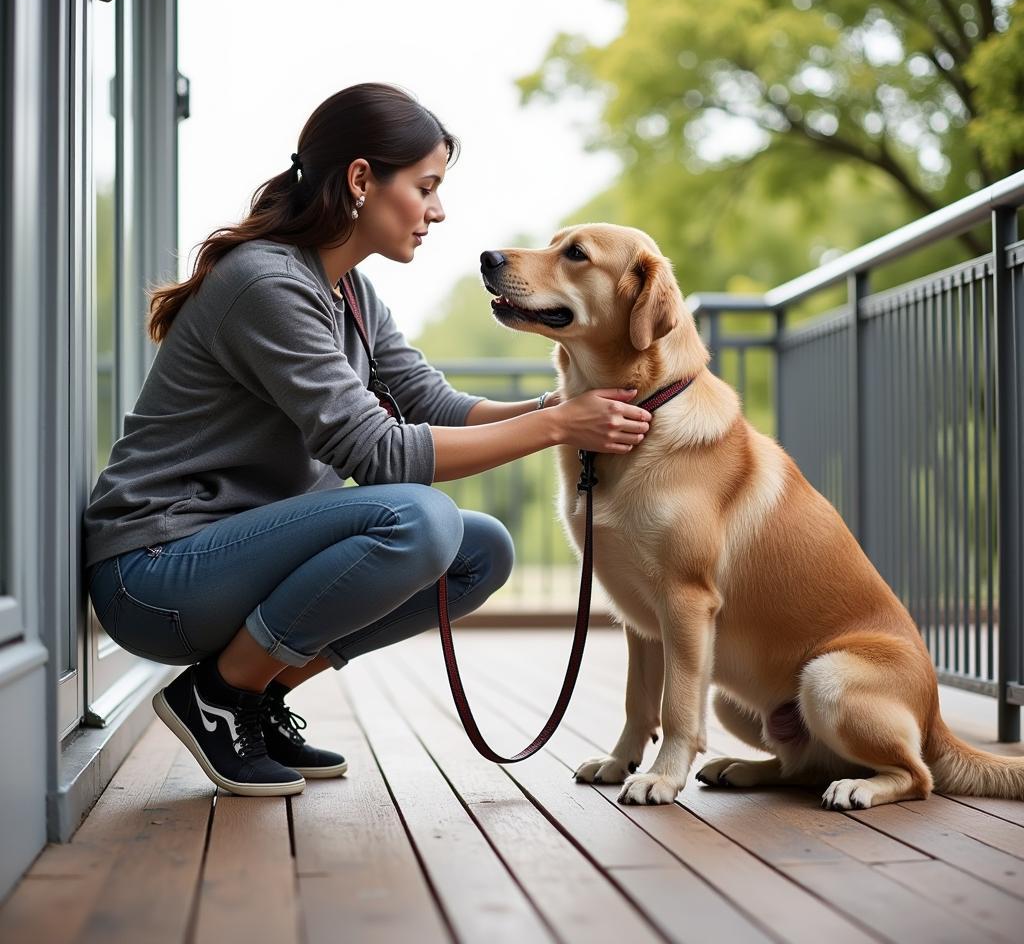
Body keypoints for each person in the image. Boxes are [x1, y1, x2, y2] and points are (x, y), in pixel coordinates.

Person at [83, 82, 653, 798]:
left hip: (228, 553)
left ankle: (251, 697)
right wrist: (559, 426)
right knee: (420, 518)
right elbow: (380, 455)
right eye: (426, 186)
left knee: (480, 553)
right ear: (361, 181)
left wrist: (557, 403)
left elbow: (434, 404)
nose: (439, 211)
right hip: (157, 571)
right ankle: (219, 698)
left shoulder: (352, 292)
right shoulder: (267, 284)